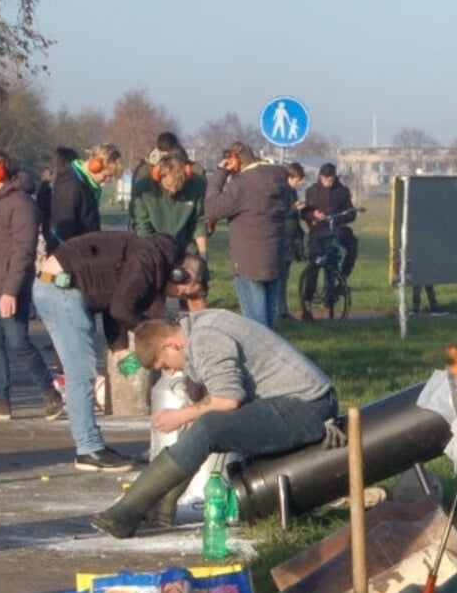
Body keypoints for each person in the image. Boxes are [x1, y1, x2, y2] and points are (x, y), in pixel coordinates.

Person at [90, 309, 338, 539]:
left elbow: (228, 399)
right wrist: (192, 415)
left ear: (171, 345)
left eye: (164, 365)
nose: (168, 372)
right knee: (203, 427)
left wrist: (183, 415)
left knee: (209, 428)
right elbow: (217, 398)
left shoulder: (205, 340)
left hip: (308, 406)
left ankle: (127, 511)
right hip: (295, 400)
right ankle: (159, 508)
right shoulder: (198, 328)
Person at [31, 230, 207, 471]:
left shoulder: (152, 260)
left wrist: (120, 347)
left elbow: (117, 299)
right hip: (62, 289)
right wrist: (155, 334)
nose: (176, 296)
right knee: (81, 373)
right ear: (179, 275)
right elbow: (121, 309)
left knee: (81, 371)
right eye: (182, 292)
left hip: (58, 287)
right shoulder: (148, 261)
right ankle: (89, 449)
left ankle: (90, 445)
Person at [0, 149, 65, 421]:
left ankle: (50, 394)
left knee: (18, 343)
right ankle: (1, 400)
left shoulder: (22, 204)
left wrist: (11, 291)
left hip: (11, 287)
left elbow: (23, 251)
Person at [204, 141, 291, 328]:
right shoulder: (278, 180)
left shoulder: (242, 185)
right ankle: (271, 353)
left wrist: (220, 173)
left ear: (235, 161)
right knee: (268, 322)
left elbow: (211, 208)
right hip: (275, 257)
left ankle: (260, 356)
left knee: (255, 326)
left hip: (248, 260)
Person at [130, 133, 209, 312]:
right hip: (155, 248)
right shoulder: (144, 188)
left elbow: (199, 222)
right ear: (159, 177)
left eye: (178, 186)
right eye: (168, 187)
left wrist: (203, 257)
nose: (173, 190)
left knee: (195, 292)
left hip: (185, 247)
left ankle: (199, 332)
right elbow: (142, 226)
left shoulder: (197, 185)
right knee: (153, 301)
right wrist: (155, 258)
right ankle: (156, 333)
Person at [299, 162, 360, 309]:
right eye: (325, 180)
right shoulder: (311, 191)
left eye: (330, 180)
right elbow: (304, 212)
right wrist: (312, 215)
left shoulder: (343, 191)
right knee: (315, 263)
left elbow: (351, 213)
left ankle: (342, 279)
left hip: (336, 229)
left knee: (352, 245)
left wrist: (335, 218)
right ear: (320, 177)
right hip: (317, 231)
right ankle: (307, 301)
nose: (327, 183)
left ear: (335, 177)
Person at [44, 143, 120, 248]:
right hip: (69, 257)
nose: (107, 180)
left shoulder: (87, 186)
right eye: (106, 175)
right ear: (95, 166)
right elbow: (63, 231)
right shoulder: (71, 186)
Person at [277, 162, 308, 319]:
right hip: (283, 237)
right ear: (290, 177)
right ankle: (280, 310)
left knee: (284, 275)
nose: (299, 183)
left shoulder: (291, 192)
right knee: (281, 276)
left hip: (291, 237)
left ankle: (281, 308)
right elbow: (279, 212)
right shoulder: (282, 191)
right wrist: (294, 209)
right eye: (297, 180)